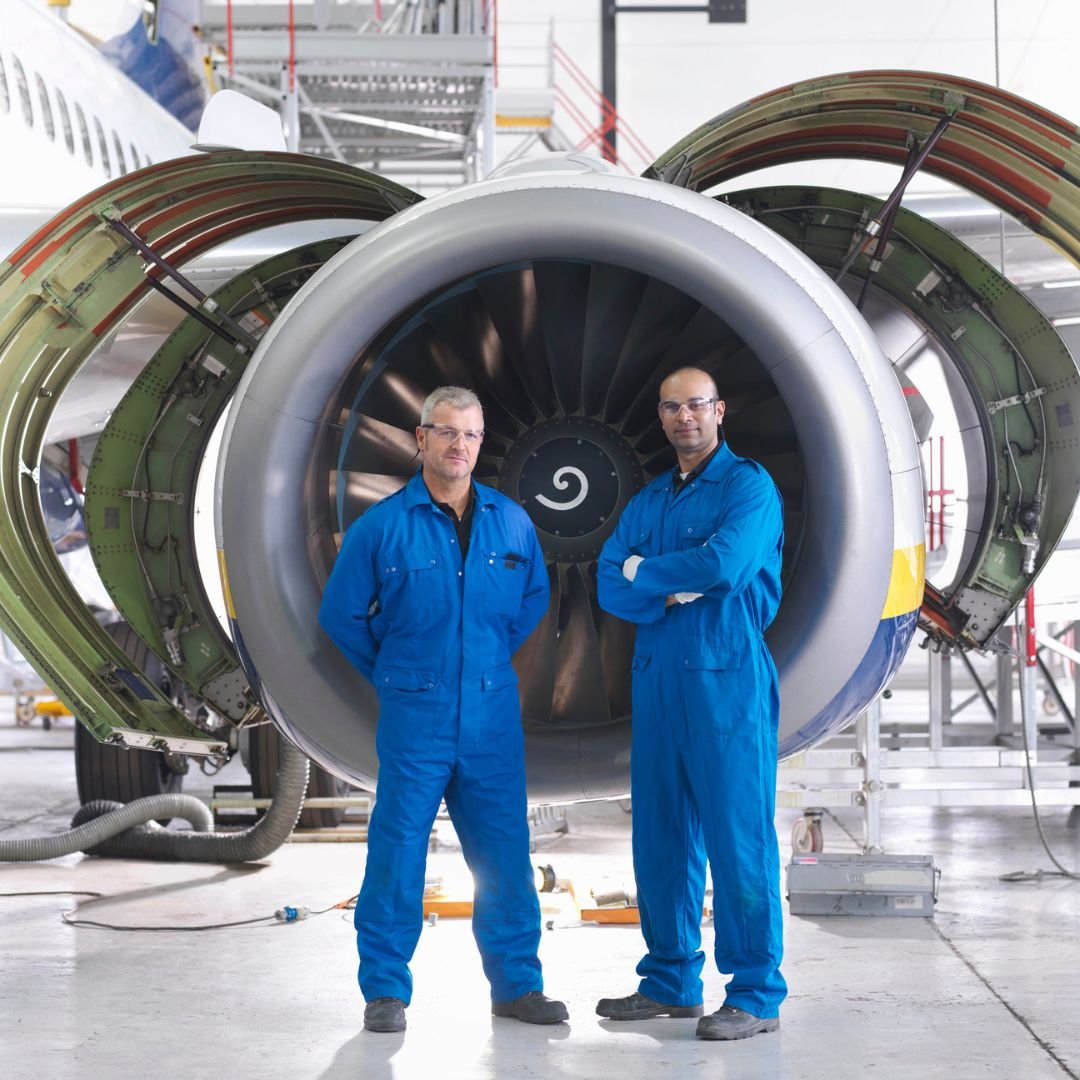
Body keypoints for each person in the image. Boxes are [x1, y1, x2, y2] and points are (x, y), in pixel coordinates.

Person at [319, 385, 567, 1033]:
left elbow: (530, 603)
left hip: (491, 717)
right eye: (447, 433)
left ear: (482, 444)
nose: (460, 446)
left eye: (472, 435)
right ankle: (385, 991)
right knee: (397, 851)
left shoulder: (511, 522)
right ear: (420, 438)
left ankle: (517, 987)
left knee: (504, 855)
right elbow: (341, 616)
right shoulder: (381, 527)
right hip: (415, 716)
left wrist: (477, 664)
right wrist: (399, 673)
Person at [595, 366, 786, 1041]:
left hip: (725, 680)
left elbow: (727, 566)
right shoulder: (648, 501)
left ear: (720, 409)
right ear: (662, 415)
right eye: (672, 407)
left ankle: (757, 992)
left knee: (739, 838)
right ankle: (672, 981)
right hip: (658, 683)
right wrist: (663, 581)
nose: (685, 418)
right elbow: (607, 586)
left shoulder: (748, 488)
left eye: (697, 405)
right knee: (660, 838)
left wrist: (647, 574)